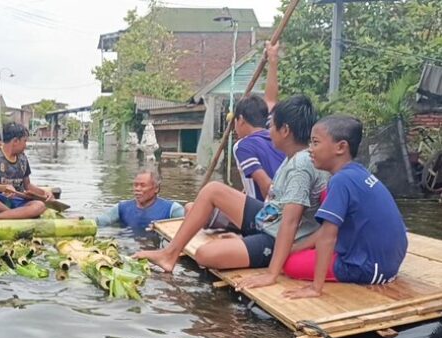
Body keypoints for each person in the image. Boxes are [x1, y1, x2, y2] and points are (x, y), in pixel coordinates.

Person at [134, 95, 329, 280]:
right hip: (270, 218)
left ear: (285, 130)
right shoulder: (293, 158)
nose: (268, 131)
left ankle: (175, 254)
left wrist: (271, 273)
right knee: (213, 190)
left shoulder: (301, 166)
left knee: (205, 254)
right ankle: (169, 254)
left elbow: (291, 222)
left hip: (279, 236)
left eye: (272, 126)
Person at [277, 115, 408, 299]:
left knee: (289, 264)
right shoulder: (357, 171)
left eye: (315, 143)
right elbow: (326, 231)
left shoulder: (341, 181)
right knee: (324, 199)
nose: (310, 150)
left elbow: (327, 238)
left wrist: (316, 288)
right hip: (388, 261)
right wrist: (296, 247)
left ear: (341, 147)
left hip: (370, 267)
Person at [186, 42, 284, 228]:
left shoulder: (243, 144)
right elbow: (271, 98)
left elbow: (266, 185)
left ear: (240, 120)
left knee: (192, 208)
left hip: (265, 216)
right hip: (276, 208)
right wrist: (272, 61)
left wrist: (269, 225)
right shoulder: (276, 132)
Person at [0, 123, 53, 220]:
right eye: (24, 141)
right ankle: (13, 214)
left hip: (18, 200)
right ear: (15, 141)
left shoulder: (23, 158)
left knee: (39, 206)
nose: (25, 145)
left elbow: (28, 185)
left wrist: (44, 193)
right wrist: (3, 188)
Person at [96, 168, 185, 231]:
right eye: (135, 185)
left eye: (143, 185)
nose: (137, 189)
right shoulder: (122, 207)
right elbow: (101, 221)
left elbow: (188, 228)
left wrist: (164, 228)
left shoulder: (172, 209)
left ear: (156, 188)